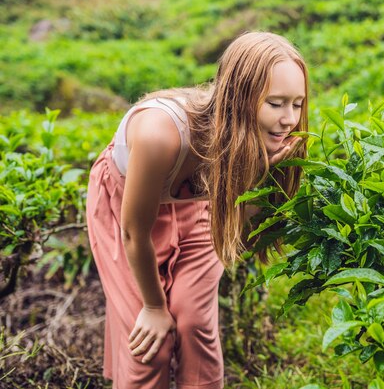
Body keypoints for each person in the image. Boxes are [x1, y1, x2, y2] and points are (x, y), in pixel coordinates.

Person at [85, 31, 309, 389]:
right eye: (276, 103)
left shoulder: (257, 145)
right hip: (125, 214)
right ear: (239, 98)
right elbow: (134, 232)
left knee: (194, 323)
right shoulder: (161, 134)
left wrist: (260, 177)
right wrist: (155, 307)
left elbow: (240, 236)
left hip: (200, 210)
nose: (289, 120)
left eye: (297, 104)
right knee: (150, 348)